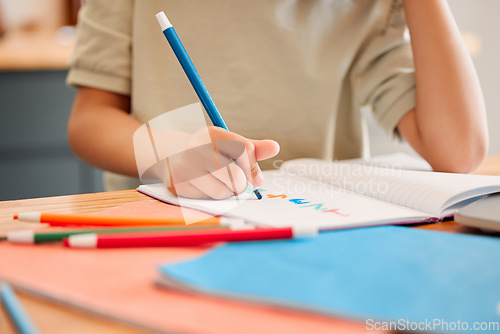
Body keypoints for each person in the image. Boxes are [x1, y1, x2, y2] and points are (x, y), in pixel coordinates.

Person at [67, 0, 488, 199]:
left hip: (317, 234)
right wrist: (169, 155)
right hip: (159, 225)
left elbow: (458, 151)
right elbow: (90, 120)